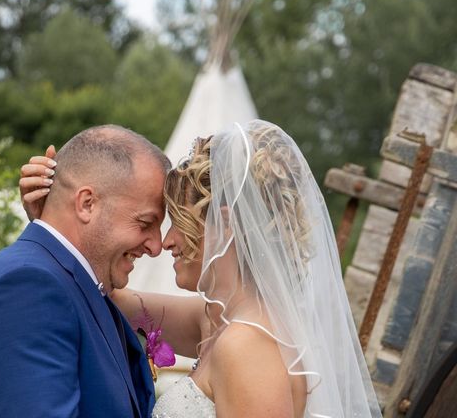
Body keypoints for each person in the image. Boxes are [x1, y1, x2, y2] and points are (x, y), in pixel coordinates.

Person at [21, 120, 382, 417]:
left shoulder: (246, 346)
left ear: (224, 226)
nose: (166, 242)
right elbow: (109, 296)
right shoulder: (217, 321)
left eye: (177, 222)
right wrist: (58, 221)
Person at [0, 124, 170, 417]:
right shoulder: (27, 288)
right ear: (87, 203)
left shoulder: (70, 283)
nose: (156, 246)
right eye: (144, 223)